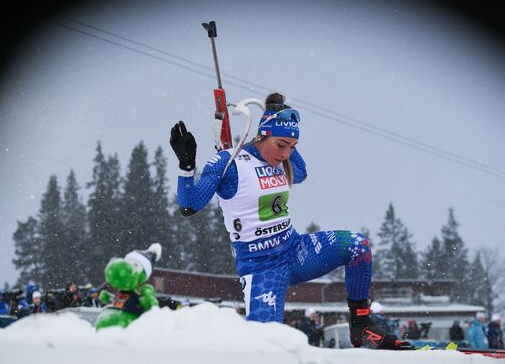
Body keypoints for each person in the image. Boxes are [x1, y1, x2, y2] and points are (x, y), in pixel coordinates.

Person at [170, 92, 412, 350]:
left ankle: (362, 326)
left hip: (294, 249)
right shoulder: (228, 162)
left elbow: (302, 172)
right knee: (266, 345)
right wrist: (186, 165)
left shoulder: (280, 160)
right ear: (261, 135)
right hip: (261, 267)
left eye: (293, 147)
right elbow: (189, 205)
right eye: (282, 145)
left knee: (358, 246)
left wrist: (275, 113)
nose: (286, 154)